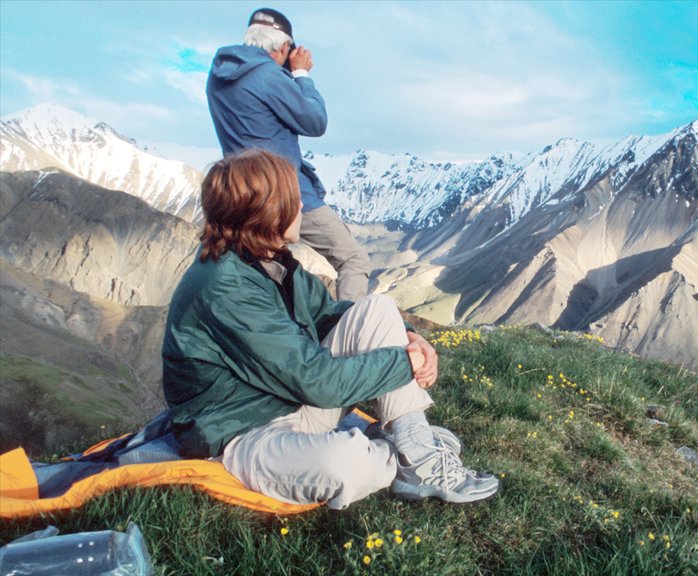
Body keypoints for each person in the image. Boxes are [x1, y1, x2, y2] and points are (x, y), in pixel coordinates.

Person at [162, 149, 499, 508]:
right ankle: (407, 450)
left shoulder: (269, 263)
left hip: (285, 402)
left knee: (378, 308)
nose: (301, 209)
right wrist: (405, 363)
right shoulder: (226, 287)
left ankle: (419, 454)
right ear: (266, 209)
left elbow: (331, 315)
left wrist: (407, 335)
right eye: (293, 198)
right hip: (240, 434)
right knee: (343, 465)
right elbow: (317, 381)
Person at [206, 7, 370, 301]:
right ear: (284, 47)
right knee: (352, 259)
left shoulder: (218, 76)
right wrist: (300, 74)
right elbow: (314, 121)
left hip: (241, 195)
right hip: (285, 193)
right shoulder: (268, 76)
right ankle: (350, 339)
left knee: (260, 266)